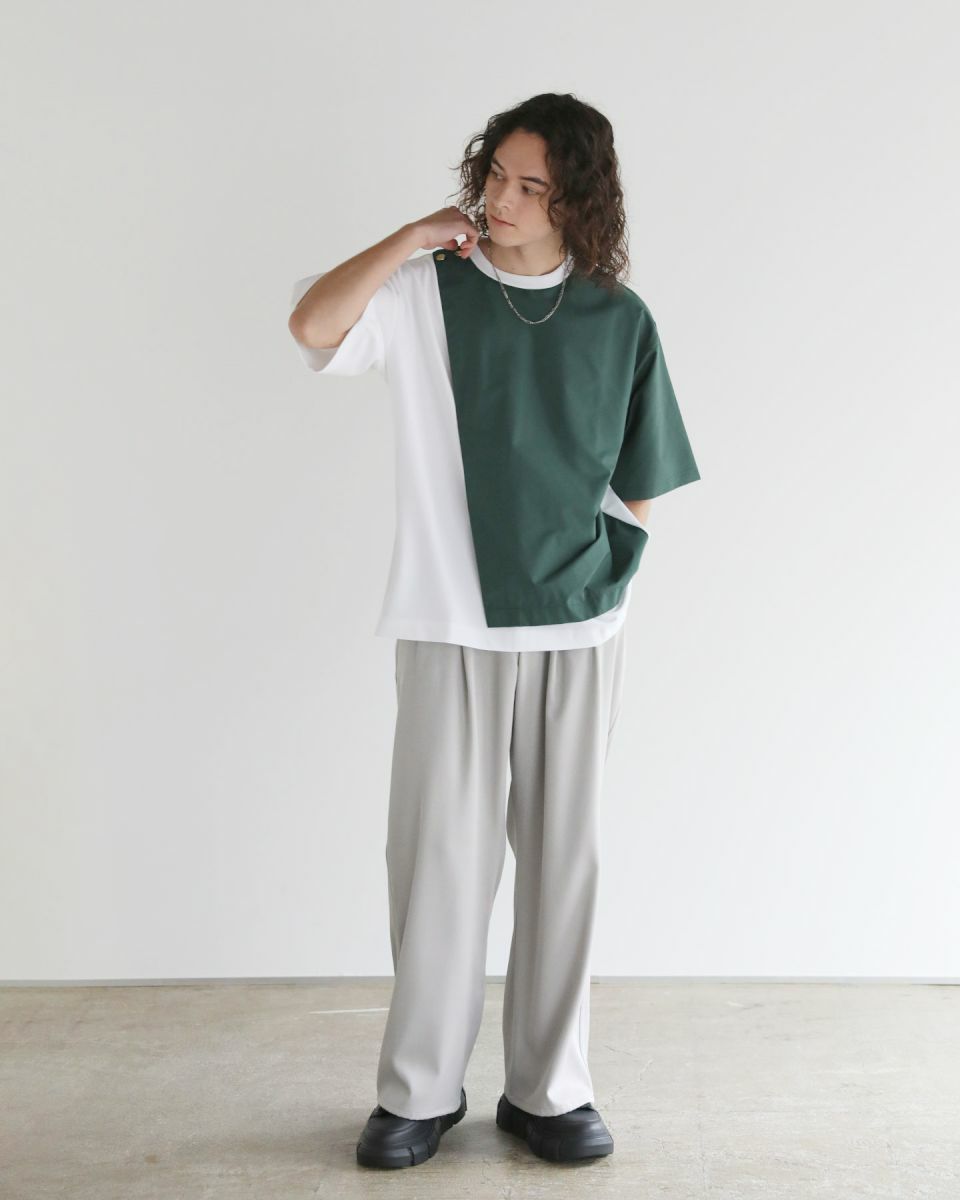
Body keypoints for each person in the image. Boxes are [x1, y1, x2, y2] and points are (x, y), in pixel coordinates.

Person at [287, 92, 700, 1169]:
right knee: (436, 861)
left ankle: (549, 1091)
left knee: (564, 862)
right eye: (494, 176)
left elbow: (643, 475)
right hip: (448, 623)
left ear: (576, 202)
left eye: (531, 186)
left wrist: (606, 569)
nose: (502, 200)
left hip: (578, 630)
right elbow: (312, 326)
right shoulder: (425, 293)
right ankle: (417, 1092)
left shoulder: (619, 318)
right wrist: (410, 236)